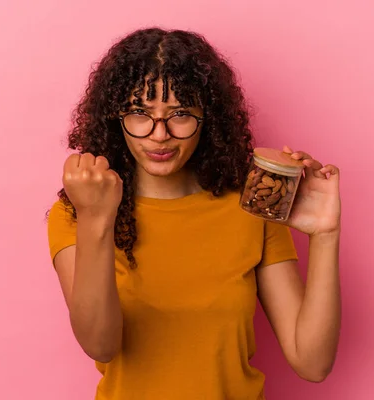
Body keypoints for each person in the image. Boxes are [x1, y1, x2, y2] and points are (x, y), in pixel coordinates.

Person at [47, 27, 342, 400]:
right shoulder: (77, 212)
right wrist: (96, 219)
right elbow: (100, 345)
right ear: (114, 116)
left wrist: (325, 235)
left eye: (180, 114)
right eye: (140, 113)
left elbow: (312, 362)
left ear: (209, 119)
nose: (159, 135)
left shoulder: (250, 205)